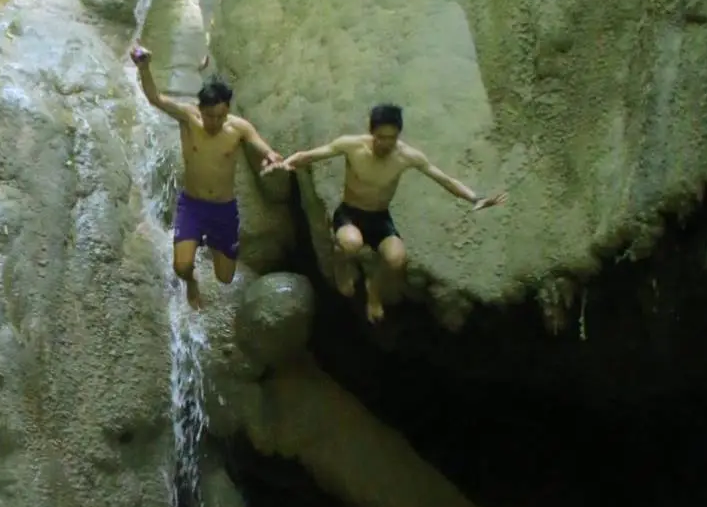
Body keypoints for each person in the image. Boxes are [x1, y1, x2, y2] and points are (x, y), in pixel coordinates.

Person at [267, 103, 504, 323]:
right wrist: (285, 163)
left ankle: (373, 290)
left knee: (397, 259)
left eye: (392, 138)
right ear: (372, 132)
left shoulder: (407, 157)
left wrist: (475, 198)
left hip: (379, 217)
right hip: (350, 213)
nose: (386, 144)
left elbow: (444, 179)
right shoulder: (352, 146)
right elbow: (311, 155)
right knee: (351, 244)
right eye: (381, 137)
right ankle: (341, 265)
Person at [130, 46, 281, 308]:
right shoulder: (188, 117)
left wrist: (271, 156)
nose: (216, 122)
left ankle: (213, 243)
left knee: (225, 277)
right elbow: (155, 98)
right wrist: (144, 68)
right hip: (193, 206)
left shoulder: (238, 128)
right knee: (182, 266)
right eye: (210, 116)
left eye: (221, 116)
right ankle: (192, 282)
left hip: (223, 209)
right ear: (200, 109)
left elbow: (261, 146)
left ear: (228, 110)